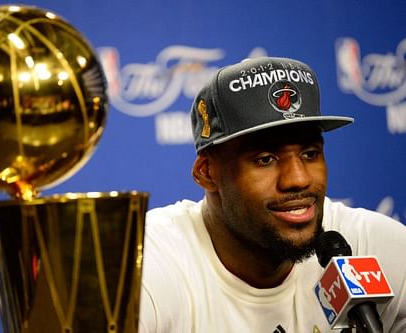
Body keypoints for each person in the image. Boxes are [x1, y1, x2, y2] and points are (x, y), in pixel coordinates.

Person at [138, 57, 406, 332]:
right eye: (265, 159)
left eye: (310, 154)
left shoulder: (367, 248)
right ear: (207, 172)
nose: (298, 179)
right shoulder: (150, 262)